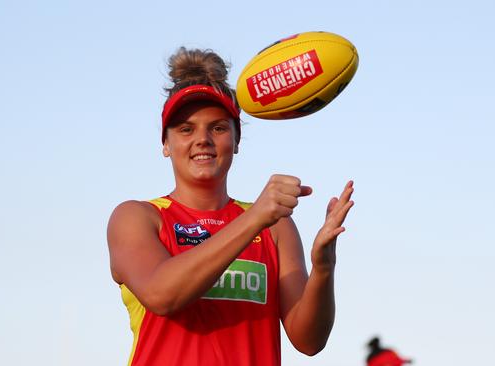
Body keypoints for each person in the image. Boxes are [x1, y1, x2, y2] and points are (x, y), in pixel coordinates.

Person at [106, 46, 355, 366]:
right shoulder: (137, 216)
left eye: (219, 127)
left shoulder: (275, 225)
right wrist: (253, 219)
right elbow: (162, 294)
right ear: (166, 144)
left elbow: (308, 341)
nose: (203, 139)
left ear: (236, 141)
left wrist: (323, 266)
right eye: (185, 129)